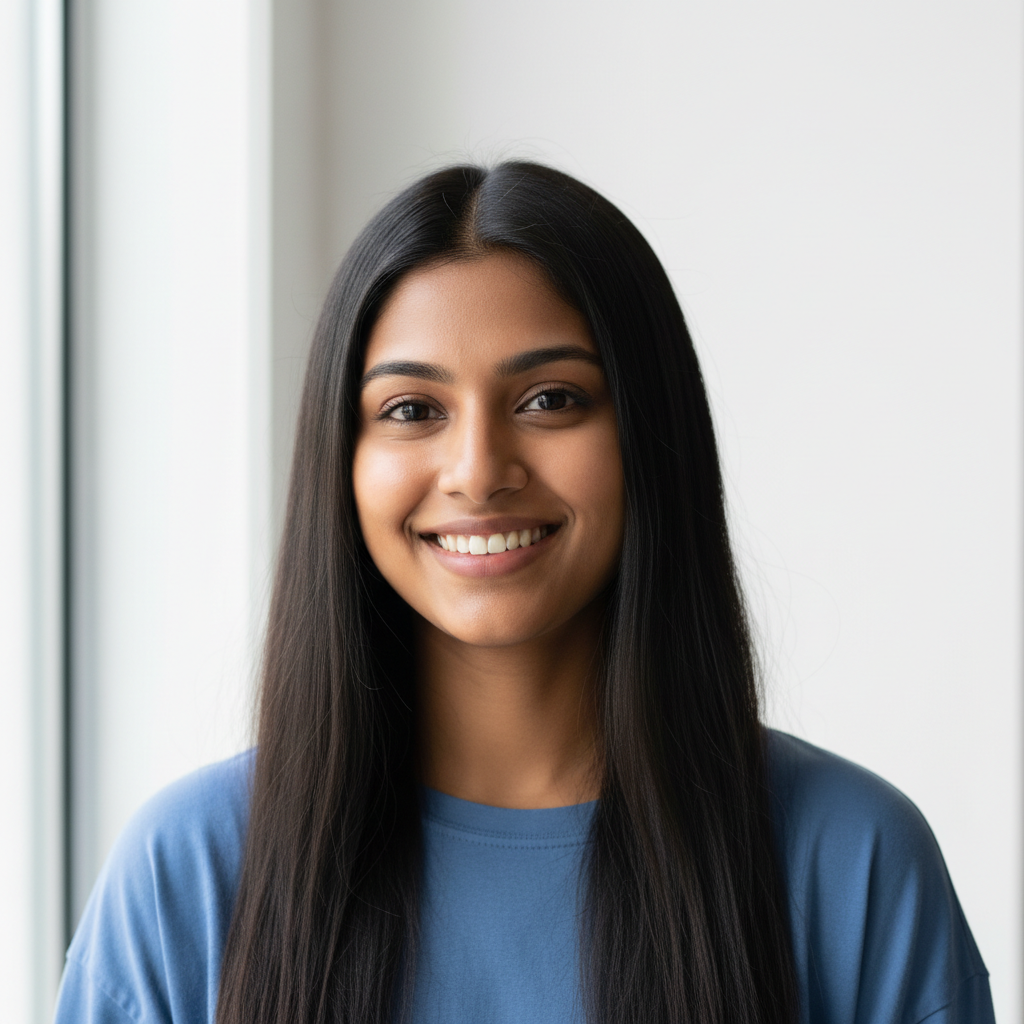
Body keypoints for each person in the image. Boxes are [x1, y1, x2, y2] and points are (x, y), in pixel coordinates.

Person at [54, 162, 994, 1024]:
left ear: (648, 434)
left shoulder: (851, 861)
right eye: (412, 411)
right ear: (341, 463)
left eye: (550, 399)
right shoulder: (190, 871)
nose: (477, 471)